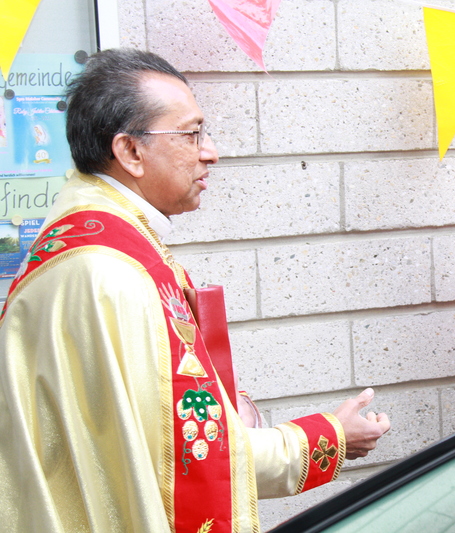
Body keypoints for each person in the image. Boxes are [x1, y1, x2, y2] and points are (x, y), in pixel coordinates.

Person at [0, 48, 390, 533]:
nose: (211, 151)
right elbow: (186, 457)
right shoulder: (114, 272)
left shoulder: (89, 237)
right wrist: (328, 438)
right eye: (191, 134)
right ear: (130, 152)